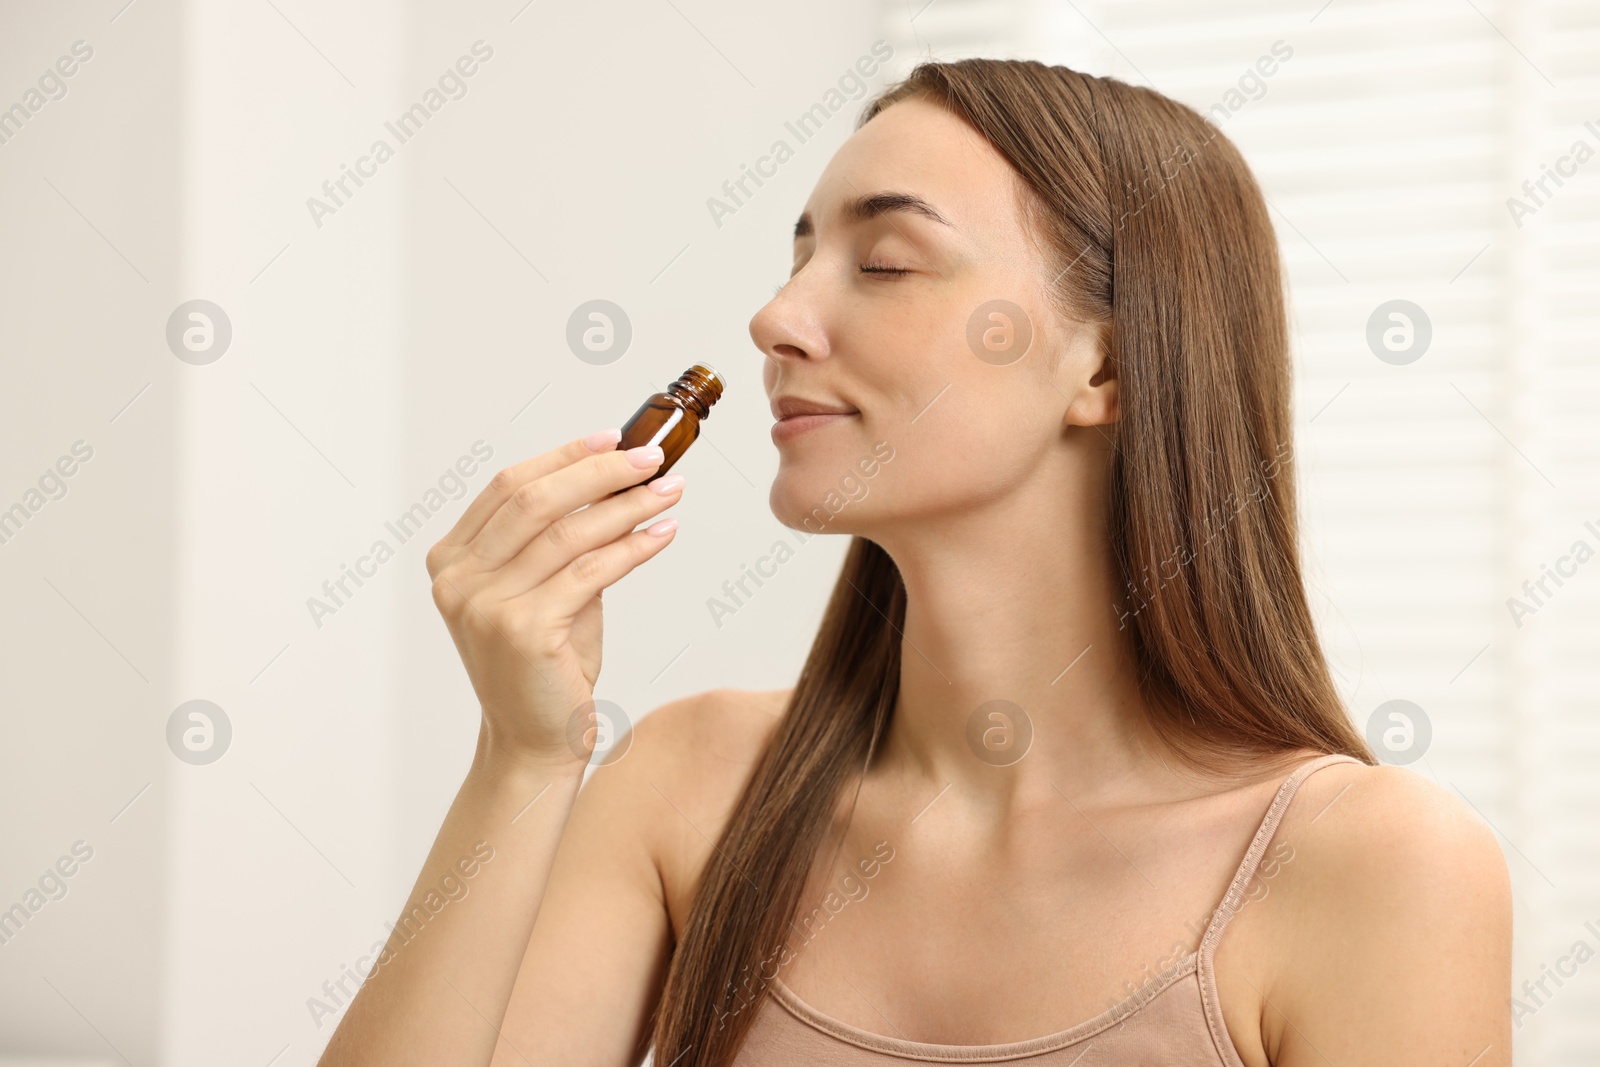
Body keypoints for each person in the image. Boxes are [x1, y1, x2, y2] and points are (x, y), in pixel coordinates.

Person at [317, 58, 1511, 1067]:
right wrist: (522, 755)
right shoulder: (690, 786)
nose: (777, 317)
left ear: (1107, 368)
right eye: (797, 258)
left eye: (883, 263)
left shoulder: (1372, 865)